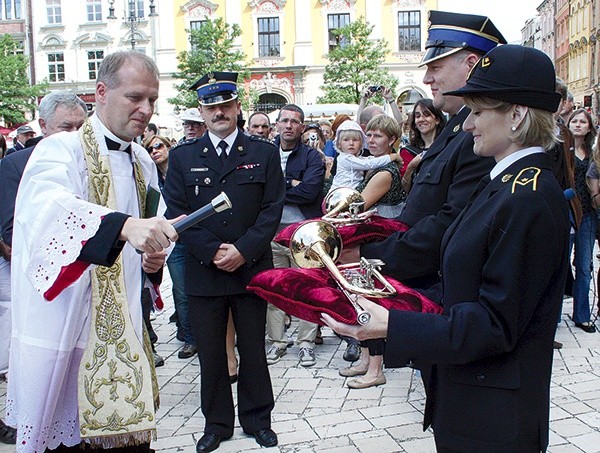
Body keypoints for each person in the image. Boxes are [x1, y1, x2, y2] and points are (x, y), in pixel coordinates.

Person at [324, 44, 569, 453]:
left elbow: (495, 325)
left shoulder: (527, 196)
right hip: (471, 400)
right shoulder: (501, 184)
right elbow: (459, 287)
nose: (467, 124)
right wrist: (387, 300)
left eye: (477, 111)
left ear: (516, 115)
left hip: (495, 419)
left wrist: (392, 325)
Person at [5, 51, 179, 452]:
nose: (146, 109)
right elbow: (47, 211)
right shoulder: (60, 150)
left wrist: (152, 258)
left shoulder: (141, 161)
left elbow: (145, 232)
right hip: (69, 324)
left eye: (152, 99)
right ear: (101, 92)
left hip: (124, 324)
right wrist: (123, 225)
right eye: (135, 97)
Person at [344, 11, 505, 297]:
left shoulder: (477, 135)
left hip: (438, 285)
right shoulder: (457, 127)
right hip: (418, 275)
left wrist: (367, 253)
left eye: (436, 67)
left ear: (470, 65)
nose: (427, 78)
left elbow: (450, 223)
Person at [164, 71, 285, 452]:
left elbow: (271, 209)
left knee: (253, 348)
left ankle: (257, 419)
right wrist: (213, 250)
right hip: (204, 270)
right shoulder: (183, 157)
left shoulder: (263, 153)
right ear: (201, 111)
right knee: (212, 353)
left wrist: (242, 250)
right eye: (210, 107)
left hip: (250, 267)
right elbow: (178, 212)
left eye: (225, 105)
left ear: (237, 107)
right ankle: (216, 424)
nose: (219, 112)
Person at [0, 92, 89, 427]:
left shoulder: (89, 160)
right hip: (40, 284)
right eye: (66, 127)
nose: (74, 135)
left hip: (85, 283)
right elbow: (12, 229)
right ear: (42, 126)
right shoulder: (14, 166)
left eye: (81, 127)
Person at [338, 113, 404, 389]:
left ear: (392, 141)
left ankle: (375, 369)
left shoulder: (384, 172)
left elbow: (355, 206)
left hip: (378, 244)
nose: (372, 140)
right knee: (362, 298)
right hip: (371, 240)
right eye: (371, 135)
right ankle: (366, 361)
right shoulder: (373, 168)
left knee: (371, 301)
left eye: (379, 136)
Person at [265, 104, 325, 368]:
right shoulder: (265, 154)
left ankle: (306, 344)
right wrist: (291, 183)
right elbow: (257, 192)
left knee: (307, 290)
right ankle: (277, 342)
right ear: (276, 124)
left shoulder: (312, 157)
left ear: (302, 127)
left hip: (304, 234)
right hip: (272, 232)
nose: (289, 125)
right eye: (284, 120)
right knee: (275, 289)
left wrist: (278, 186)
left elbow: (310, 192)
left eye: (295, 121)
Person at [568, 108, 598, 333]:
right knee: (558, 266)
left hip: (587, 214)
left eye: (583, 121)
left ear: (589, 127)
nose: (578, 124)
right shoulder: (561, 149)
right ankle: (554, 318)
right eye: (575, 121)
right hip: (565, 213)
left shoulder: (593, 153)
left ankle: (582, 315)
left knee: (584, 266)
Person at [327, 119, 401, 193]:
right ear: (339, 144)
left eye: (355, 140)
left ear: (361, 143)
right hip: (340, 195)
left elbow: (367, 160)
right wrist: (391, 157)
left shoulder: (356, 158)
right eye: (346, 140)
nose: (351, 143)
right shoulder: (345, 158)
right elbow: (368, 164)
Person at [400, 98, 446, 193]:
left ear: (437, 120)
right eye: (417, 116)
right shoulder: (407, 152)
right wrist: (411, 167)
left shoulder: (447, 147)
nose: (421, 119)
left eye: (427, 115)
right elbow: (404, 190)